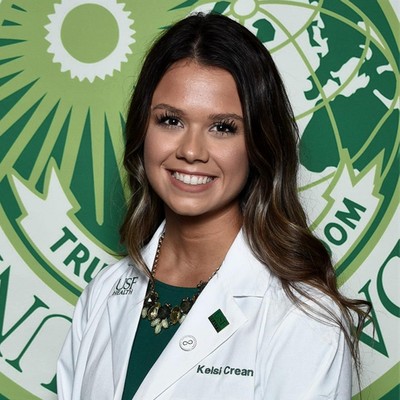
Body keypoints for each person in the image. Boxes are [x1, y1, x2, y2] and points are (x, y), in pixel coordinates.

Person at [57, 12, 370, 400]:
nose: (191, 151)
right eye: (170, 120)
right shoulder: (103, 294)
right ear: (142, 129)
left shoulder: (302, 316)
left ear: (259, 144)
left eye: (223, 127)